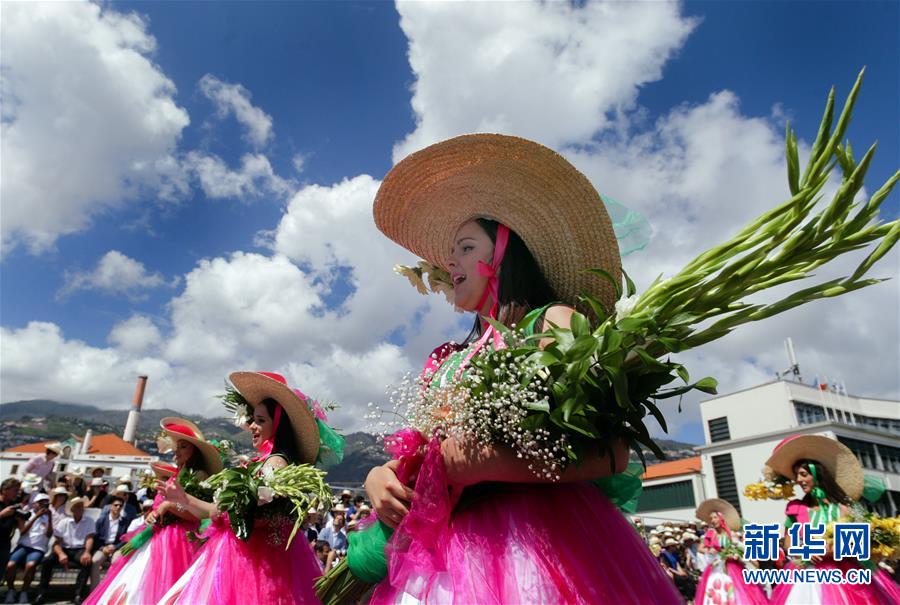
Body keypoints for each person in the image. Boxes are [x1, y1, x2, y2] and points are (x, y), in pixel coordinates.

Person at [362, 134, 682, 603]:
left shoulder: (553, 323)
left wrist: (487, 463)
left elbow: (613, 452)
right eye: (452, 251)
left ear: (504, 252)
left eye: (466, 246)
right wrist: (382, 476)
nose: (450, 261)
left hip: (539, 550)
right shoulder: (445, 359)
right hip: (445, 561)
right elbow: (425, 451)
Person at [158, 372, 333, 604]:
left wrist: (234, 514)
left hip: (253, 562)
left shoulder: (275, 463)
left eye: (260, 420)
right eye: (252, 419)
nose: (251, 426)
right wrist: (184, 498)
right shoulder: (262, 463)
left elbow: (261, 518)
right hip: (235, 556)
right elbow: (216, 511)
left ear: (278, 425)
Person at [83, 419, 222, 605]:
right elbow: (160, 505)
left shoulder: (199, 477)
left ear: (194, 452)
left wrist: (170, 507)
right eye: (177, 446)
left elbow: (199, 514)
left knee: (166, 589)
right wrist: (154, 514)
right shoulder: (175, 476)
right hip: (159, 536)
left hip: (179, 539)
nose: (177, 450)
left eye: (183, 447)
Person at [766, 435, 900, 604]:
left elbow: (861, 542)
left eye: (803, 474)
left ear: (817, 475)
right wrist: (804, 551)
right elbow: (788, 542)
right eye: (797, 476)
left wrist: (829, 551)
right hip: (806, 573)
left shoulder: (845, 508)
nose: (799, 480)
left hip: (844, 572)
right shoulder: (796, 508)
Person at [693, 499, 766, 605]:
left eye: (715, 517)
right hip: (715, 569)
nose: (713, 520)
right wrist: (709, 550)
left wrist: (735, 555)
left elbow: (740, 549)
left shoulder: (730, 535)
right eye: (711, 518)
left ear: (721, 518)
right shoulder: (709, 534)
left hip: (731, 568)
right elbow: (700, 548)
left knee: (736, 593)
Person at [34, 497, 94, 605]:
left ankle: (78, 594)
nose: (80, 508)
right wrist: (61, 554)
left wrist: (87, 551)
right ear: (72, 509)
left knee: (87, 562)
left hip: (79, 549)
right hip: (65, 548)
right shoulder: (64, 522)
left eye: (81, 506)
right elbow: (56, 542)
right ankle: (41, 594)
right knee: (47, 561)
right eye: (77, 506)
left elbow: (90, 538)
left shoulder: (89, 521)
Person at [4, 493, 53, 604]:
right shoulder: (25, 514)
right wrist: (36, 517)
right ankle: (11, 590)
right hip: (23, 546)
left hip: (38, 548)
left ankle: (24, 592)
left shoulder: (48, 517)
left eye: (45, 503)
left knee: (30, 566)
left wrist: (49, 518)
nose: (42, 505)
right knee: (10, 565)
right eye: (40, 502)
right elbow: (23, 532)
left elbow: (49, 534)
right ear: (34, 504)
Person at [89, 495, 132, 590]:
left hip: (116, 547)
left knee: (116, 561)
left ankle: (110, 589)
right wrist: (102, 548)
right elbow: (96, 538)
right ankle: (94, 590)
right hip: (103, 547)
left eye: (120, 506)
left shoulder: (125, 522)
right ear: (110, 506)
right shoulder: (101, 521)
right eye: (116, 505)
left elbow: (125, 538)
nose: (118, 507)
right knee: (95, 561)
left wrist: (115, 547)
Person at [0, 480, 23, 573]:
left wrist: (20, 519)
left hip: (4, 543)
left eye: (18, 490)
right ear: (4, 490)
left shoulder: (13, 506)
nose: (17, 493)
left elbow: (21, 528)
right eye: (15, 490)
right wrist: (2, 514)